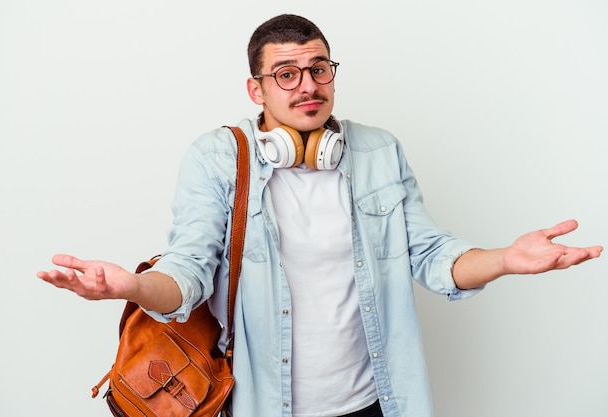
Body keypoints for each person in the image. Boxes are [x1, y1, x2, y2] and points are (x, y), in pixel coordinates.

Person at [37, 14, 602, 417]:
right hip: (264, 405)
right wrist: (132, 286)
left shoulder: (378, 150)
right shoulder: (216, 158)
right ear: (255, 88)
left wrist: (506, 258)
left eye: (319, 68)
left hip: (376, 400)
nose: (307, 85)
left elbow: (431, 256)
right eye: (286, 73)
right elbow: (189, 272)